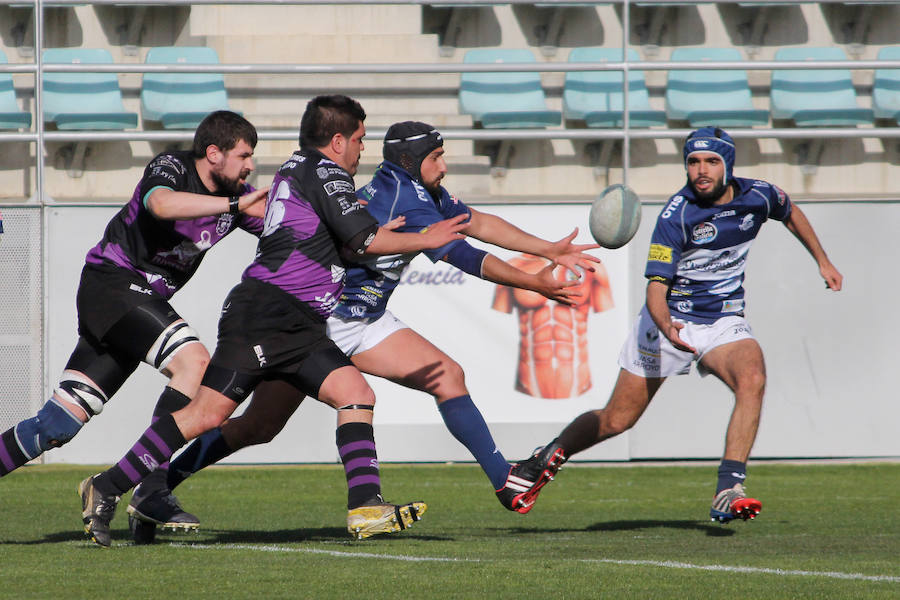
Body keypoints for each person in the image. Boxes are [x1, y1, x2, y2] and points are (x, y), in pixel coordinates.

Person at [125, 121, 599, 544]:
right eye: (438, 156)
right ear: (413, 161)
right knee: (254, 425)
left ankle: (503, 480)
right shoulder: (402, 198)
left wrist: (549, 250)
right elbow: (465, 255)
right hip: (327, 320)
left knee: (445, 375)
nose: (446, 164)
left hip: (365, 321)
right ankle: (157, 482)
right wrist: (535, 280)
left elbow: (479, 222)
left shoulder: (424, 192)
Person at [77, 96, 471, 547]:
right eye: (360, 140)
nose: (363, 150)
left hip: (298, 321)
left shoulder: (301, 172)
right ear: (337, 141)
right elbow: (363, 238)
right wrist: (424, 237)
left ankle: (366, 507)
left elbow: (332, 240)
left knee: (355, 392)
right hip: (268, 311)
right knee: (207, 414)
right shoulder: (325, 172)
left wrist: (387, 235)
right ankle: (106, 486)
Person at [513, 127, 843, 523]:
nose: (701, 170)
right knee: (617, 420)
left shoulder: (759, 195)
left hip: (722, 321)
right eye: (693, 162)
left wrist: (822, 260)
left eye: (710, 162)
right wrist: (667, 326)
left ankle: (729, 487)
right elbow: (656, 288)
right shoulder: (677, 215)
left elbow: (790, 211)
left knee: (752, 377)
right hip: (668, 323)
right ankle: (545, 458)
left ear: (728, 165)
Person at [0, 111, 271, 532]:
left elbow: (286, 225)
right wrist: (235, 205)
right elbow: (159, 203)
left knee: (59, 423)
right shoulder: (173, 166)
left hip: (134, 306)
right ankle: (152, 488)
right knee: (193, 360)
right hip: (111, 285)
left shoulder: (237, 197)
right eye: (244, 155)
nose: (250, 165)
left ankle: (142, 489)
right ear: (213, 154)